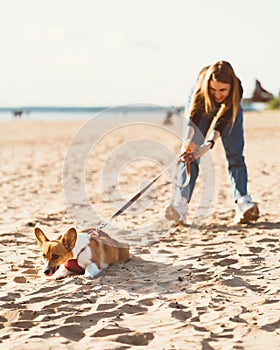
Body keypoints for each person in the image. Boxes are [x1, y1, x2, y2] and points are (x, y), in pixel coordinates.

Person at [165, 60, 259, 225]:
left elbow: (222, 121)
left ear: (231, 87)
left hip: (228, 112)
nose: (217, 95)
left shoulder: (237, 88)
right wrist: (187, 142)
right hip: (202, 108)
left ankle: (243, 202)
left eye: (223, 90)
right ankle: (180, 204)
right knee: (188, 155)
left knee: (235, 154)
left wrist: (209, 144)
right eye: (213, 89)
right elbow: (193, 117)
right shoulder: (200, 88)